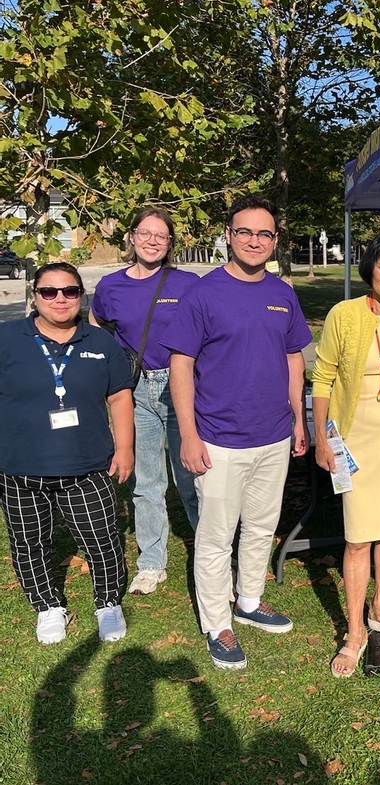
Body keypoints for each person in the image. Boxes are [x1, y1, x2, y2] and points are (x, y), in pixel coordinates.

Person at [165, 194, 313, 670]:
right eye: (244, 231)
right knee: (216, 537)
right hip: (218, 438)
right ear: (228, 236)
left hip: (274, 435)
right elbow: (181, 365)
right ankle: (217, 623)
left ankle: (248, 600)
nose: (254, 241)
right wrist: (188, 434)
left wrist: (298, 419)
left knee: (262, 526)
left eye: (264, 233)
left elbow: (293, 357)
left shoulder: (282, 293)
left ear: (275, 240)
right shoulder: (203, 294)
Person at [0, 263, 135, 644]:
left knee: (101, 538)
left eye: (70, 291)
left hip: (87, 465)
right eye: (49, 291)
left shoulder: (101, 342)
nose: (60, 299)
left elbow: (119, 396)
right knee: (28, 542)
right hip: (19, 467)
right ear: (35, 296)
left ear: (81, 295)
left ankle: (108, 603)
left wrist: (125, 447)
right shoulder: (7, 338)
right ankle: (47, 606)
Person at [311, 234, 380, 677]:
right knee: (358, 536)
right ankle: (355, 630)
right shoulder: (345, 314)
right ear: (369, 269)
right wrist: (322, 437)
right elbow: (323, 377)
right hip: (355, 439)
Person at [89, 208, 200, 597]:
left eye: (161, 235)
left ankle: (212, 558)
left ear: (170, 244)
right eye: (145, 233)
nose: (152, 241)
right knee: (147, 482)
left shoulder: (188, 284)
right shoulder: (110, 286)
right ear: (132, 237)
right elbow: (97, 326)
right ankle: (152, 563)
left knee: (191, 478)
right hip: (134, 390)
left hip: (180, 387)